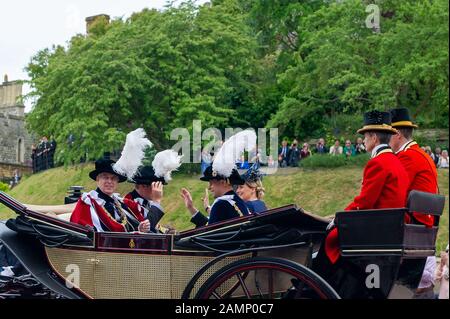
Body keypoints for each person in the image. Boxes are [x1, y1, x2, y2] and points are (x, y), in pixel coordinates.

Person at [312, 110, 409, 297]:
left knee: (331, 235)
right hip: (388, 227)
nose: (363, 140)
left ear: (373, 137)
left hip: (375, 230)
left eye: (365, 136)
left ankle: (316, 281)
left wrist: (339, 217)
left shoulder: (378, 162)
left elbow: (364, 202)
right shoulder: (396, 162)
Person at [181, 130, 253, 228]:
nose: (209, 187)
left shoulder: (220, 204)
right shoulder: (238, 201)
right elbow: (211, 224)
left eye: (211, 183)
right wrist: (191, 208)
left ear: (223, 182)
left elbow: (208, 232)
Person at [70, 158, 150, 233]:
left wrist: (140, 228)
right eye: (105, 177)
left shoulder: (120, 204)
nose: (109, 181)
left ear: (117, 181)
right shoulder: (88, 202)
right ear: (97, 179)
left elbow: (130, 227)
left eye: (113, 178)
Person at [389, 108, 438, 227]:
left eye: (388, 134)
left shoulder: (407, 156)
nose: (386, 139)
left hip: (415, 220)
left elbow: (395, 192)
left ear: (397, 134)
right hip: (423, 219)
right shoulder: (417, 152)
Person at [124, 150, 181, 233]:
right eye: (156, 186)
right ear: (143, 186)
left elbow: (154, 227)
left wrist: (166, 231)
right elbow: (146, 230)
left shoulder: (146, 202)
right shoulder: (129, 202)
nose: (159, 190)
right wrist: (157, 201)